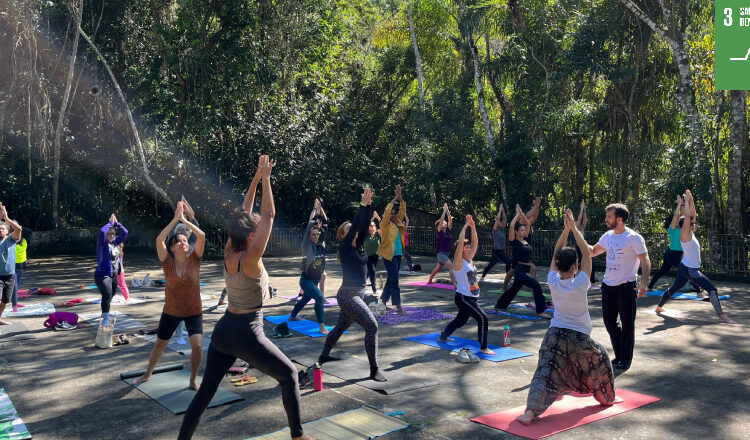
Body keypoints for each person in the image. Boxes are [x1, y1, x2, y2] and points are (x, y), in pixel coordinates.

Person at [179, 156, 314, 440]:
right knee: (289, 376)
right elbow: (269, 217)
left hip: (224, 330)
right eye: (256, 232)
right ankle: (298, 437)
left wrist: (255, 178)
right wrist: (266, 178)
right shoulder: (251, 258)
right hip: (248, 333)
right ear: (252, 236)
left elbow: (243, 213)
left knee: (205, 394)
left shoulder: (230, 250)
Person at [516, 209, 617, 426]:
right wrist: (574, 229)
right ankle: (606, 398)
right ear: (575, 267)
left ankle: (530, 412)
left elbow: (555, 253)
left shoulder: (553, 280)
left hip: (554, 336)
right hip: (579, 339)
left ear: (559, 265)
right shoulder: (581, 282)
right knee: (601, 361)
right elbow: (587, 254)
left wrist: (565, 230)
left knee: (544, 374)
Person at [132, 202, 206, 390]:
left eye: (185, 240)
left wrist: (186, 220)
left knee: (197, 346)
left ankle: (192, 380)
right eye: (179, 240)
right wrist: (175, 219)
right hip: (171, 312)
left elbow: (201, 235)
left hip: (193, 312)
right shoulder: (167, 262)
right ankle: (147, 374)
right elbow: (159, 240)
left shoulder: (195, 260)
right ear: (172, 247)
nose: (183, 242)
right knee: (159, 345)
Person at [318, 187, 386, 382]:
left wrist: (369, 203)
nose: (352, 229)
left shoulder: (360, 245)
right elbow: (358, 223)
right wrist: (363, 204)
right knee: (372, 326)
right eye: (348, 229)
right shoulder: (345, 247)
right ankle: (374, 369)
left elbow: (363, 224)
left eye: (352, 229)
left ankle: (323, 356)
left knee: (339, 328)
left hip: (359, 294)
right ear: (343, 235)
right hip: (348, 296)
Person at [656, 190, 735, 324]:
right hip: (690, 270)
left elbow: (692, 215)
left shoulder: (690, 233)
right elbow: (687, 217)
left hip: (684, 267)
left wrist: (691, 201)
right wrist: (685, 202)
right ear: (685, 227)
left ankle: (659, 307)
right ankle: (722, 316)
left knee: (674, 288)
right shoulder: (684, 235)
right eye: (691, 224)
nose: (694, 224)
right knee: (712, 289)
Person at [590, 203, 650, 371]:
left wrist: (644, 283)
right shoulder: (608, 236)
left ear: (619, 219)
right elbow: (593, 251)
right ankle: (619, 356)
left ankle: (625, 359)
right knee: (609, 322)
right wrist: (576, 235)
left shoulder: (633, 237)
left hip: (626, 286)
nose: (606, 220)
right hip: (608, 285)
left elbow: (645, 260)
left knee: (627, 324)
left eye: (609, 217)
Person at [438, 215, 494, 355]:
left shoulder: (469, 260)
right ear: (461, 250)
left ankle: (443, 336)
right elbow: (461, 242)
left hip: (471, 297)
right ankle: (483, 347)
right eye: (466, 247)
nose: (469, 249)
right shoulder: (459, 262)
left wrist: (473, 226)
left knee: (460, 320)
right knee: (482, 318)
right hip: (464, 297)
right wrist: (464, 226)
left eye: (469, 247)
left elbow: (476, 242)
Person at [494, 205, 551, 319]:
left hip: (526, 269)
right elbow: (511, 226)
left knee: (514, 289)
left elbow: (528, 224)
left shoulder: (526, 240)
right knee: (536, 286)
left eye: (525, 230)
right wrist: (517, 216)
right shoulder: (514, 241)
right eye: (521, 230)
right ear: (516, 231)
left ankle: (500, 303)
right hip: (520, 271)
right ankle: (540, 311)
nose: (524, 231)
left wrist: (522, 214)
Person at [289, 199, 329, 335]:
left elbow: (326, 222)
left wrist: (320, 208)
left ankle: (292, 316)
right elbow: (309, 226)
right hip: (306, 280)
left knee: (305, 298)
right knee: (319, 297)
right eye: (313, 234)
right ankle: (322, 326)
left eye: (317, 234)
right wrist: (314, 209)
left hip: (315, 280)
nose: (316, 236)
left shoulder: (320, 244)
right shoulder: (307, 245)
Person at [648, 195, 701, 294]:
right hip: (672, 254)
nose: (678, 220)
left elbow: (686, 216)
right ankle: (698, 291)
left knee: (667, 272)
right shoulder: (672, 229)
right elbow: (677, 215)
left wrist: (685, 203)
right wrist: (679, 205)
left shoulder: (685, 230)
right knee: (683, 272)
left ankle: (650, 286)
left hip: (676, 254)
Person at [377, 185, 407, 314]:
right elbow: (387, 210)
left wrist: (400, 198)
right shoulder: (385, 224)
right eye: (392, 213)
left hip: (398, 254)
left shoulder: (398, 221)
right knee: (395, 280)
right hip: (388, 255)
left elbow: (403, 210)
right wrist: (395, 197)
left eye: (394, 213)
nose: (393, 214)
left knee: (391, 278)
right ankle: (398, 306)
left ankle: (383, 301)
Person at [94, 213, 128, 327]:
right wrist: (110, 223)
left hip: (113, 275)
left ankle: (105, 311)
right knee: (107, 294)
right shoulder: (102, 243)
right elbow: (102, 232)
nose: (110, 236)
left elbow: (125, 232)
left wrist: (117, 224)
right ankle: (105, 318)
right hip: (102, 275)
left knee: (111, 294)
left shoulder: (115, 243)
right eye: (109, 234)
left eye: (113, 234)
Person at [502, 197, 541, 290]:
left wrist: (537, 207)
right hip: (518, 249)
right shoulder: (517, 223)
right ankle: (504, 286)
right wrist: (535, 206)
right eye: (518, 214)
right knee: (512, 270)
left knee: (533, 269)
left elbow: (534, 217)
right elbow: (527, 215)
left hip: (525, 248)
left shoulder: (524, 224)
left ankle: (533, 289)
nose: (521, 216)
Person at [0, 203, 22, 325]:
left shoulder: (11, 240)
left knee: (5, 300)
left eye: (2, 228)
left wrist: (6, 218)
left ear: (7, 230)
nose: (0, 230)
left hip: (10, 276)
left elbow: (19, 229)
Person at [481, 203, 511, 280]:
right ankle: (508, 278)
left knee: (492, 263)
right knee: (508, 261)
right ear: (496, 225)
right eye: (499, 223)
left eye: (501, 222)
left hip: (500, 250)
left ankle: (483, 274)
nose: (501, 222)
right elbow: (497, 219)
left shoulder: (502, 229)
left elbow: (505, 219)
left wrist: (503, 210)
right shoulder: (495, 231)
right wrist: (500, 210)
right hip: (497, 251)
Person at [427, 203, 455, 286]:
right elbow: (442, 219)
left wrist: (447, 210)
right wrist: (443, 211)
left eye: (445, 222)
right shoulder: (439, 231)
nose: (445, 223)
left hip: (447, 253)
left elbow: (450, 219)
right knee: (450, 265)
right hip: (441, 253)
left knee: (438, 267)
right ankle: (454, 283)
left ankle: (429, 280)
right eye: (443, 222)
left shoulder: (448, 230)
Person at [575, 201, 597, 283]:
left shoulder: (582, 227)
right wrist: (581, 208)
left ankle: (592, 280)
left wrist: (584, 209)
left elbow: (585, 219)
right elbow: (580, 219)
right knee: (580, 263)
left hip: (584, 246)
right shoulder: (575, 225)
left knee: (591, 263)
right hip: (579, 247)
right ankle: (576, 279)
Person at [364, 211, 381, 295]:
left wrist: (379, 219)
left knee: (368, 272)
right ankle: (374, 288)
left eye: (373, 225)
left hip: (376, 255)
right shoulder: (366, 234)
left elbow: (385, 227)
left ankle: (362, 285)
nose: (372, 226)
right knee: (372, 271)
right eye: (370, 225)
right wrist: (373, 218)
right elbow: (365, 225)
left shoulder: (377, 234)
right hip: (367, 256)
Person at [11, 230, 28, 313]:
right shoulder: (10, 242)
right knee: (15, 286)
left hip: (21, 266)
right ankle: (14, 306)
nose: (18, 234)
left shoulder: (24, 241)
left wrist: (19, 228)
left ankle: (15, 303)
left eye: (20, 233)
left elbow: (30, 231)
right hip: (12, 267)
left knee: (16, 286)